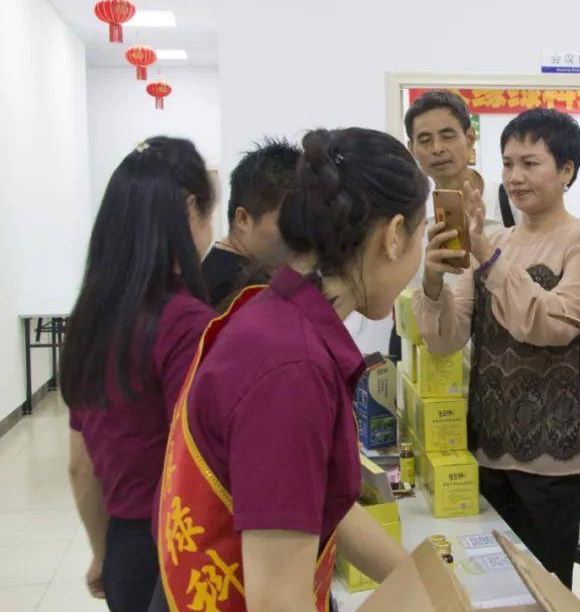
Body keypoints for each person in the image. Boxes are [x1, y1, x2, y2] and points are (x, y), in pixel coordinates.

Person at [152, 128, 420, 612]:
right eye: (421, 235)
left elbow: (306, 500)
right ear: (395, 235)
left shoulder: (273, 314)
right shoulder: (293, 369)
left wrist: (422, 583)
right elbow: (276, 600)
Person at [414, 108, 580, 586]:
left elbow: (552, 325)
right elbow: (447, 339)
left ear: (566, 170)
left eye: (530, 163)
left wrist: (486, 255)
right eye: (507, 164)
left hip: (554, 458)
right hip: (485, 448)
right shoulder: (494, 239)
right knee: (488, 587)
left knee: (544, 587)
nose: (515, 177)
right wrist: (433, 279)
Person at [62, 137, 218, 611]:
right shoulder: (187, 323)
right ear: (189, 211)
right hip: (178, 546)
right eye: (210, 211)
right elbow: (198, 465)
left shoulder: (91, 319)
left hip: (124, 549)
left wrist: (102, 553)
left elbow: (80, 465)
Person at [201, 137, 301, 307]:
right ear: (243, 219)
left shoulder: (217, 270)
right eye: (287, 222)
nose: (297, 233)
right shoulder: (240, 289)